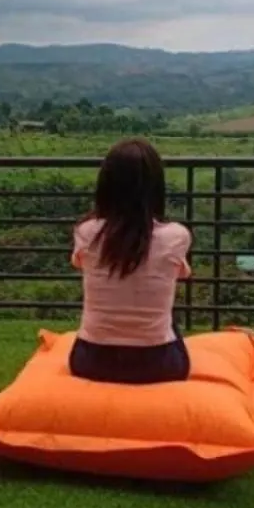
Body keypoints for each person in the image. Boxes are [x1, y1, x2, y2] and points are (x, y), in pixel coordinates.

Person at [69, 138, 192, 384]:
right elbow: (182, 274)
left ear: (106, 185)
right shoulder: (177, 235)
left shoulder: (86, 231)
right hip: (160, 365)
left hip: (89, 361)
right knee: (168, 317)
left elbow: (79, 263)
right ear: (157, 187)